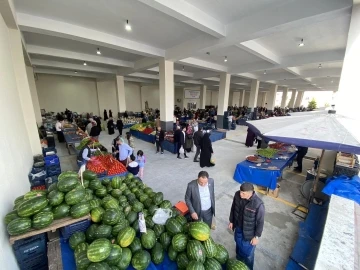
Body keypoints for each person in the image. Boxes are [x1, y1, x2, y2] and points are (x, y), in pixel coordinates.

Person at [228, 183, 265, 270]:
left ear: (250, 193)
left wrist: (256, 237)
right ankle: (239, 265)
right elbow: (233, 208)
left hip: (249, 234)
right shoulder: (237, 195)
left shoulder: (258, 204)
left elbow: (260, 222)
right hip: (238, 228)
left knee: (248, 255)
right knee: (238, 248)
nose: (240, 194)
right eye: (240, 192)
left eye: (243, 193)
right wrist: (231, 221)